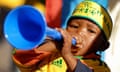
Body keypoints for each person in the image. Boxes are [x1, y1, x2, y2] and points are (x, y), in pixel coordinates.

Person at [12, 0, 113, 72]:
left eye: (91, 31)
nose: (80, 32)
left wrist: (67, 55)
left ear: (103, 46)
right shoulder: (50, 54)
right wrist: (56, 45)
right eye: (74, 26)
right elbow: (20, 57)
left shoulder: (100, 67)